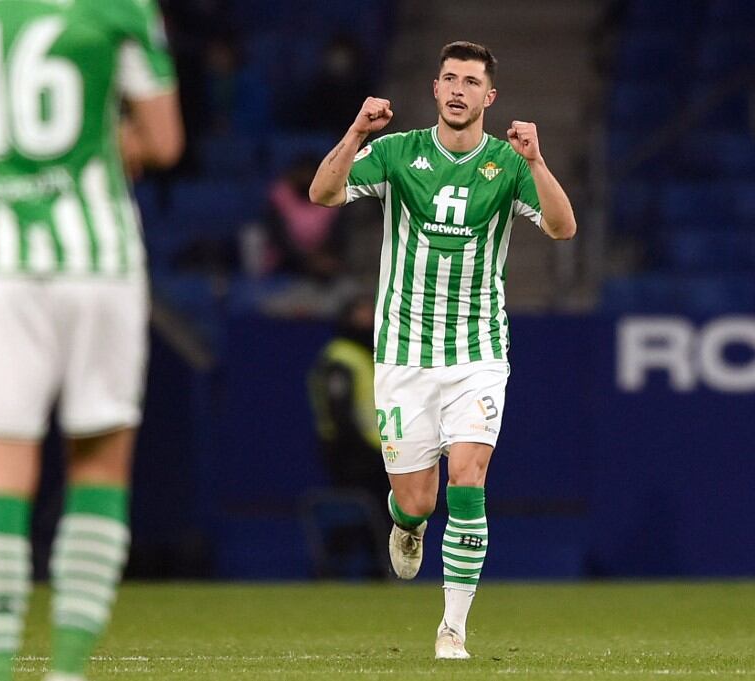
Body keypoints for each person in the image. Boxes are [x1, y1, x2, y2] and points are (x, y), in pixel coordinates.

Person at [0, 1, 183, 679]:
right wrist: (108, 139)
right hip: (98, 262)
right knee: (97, 468)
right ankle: (64, 670)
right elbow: (163, 141)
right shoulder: (119, 5)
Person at [308, 41, 576, 659]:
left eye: (471, 81)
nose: (458, 89)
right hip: (403, 353)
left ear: (490, 97)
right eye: (449, 78)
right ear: (434, 89)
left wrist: (536, 162)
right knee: (418, 498)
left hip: (477, 350)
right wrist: (353, 133)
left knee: (469, 476)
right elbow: (323, 195)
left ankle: (452, 628)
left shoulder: (509, 166)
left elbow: (563, 228)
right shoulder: (399, 152)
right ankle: (407, 524)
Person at [306, 294, 390, 578]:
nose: (368, 320)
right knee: (364, 511)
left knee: (375, 512)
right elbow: (339, 408)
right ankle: (337, 567)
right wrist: (357, 447)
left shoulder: (363, 354)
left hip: (371, 448)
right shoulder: (341, 356)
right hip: (353, 451)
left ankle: (372, 569)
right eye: (362, 313)